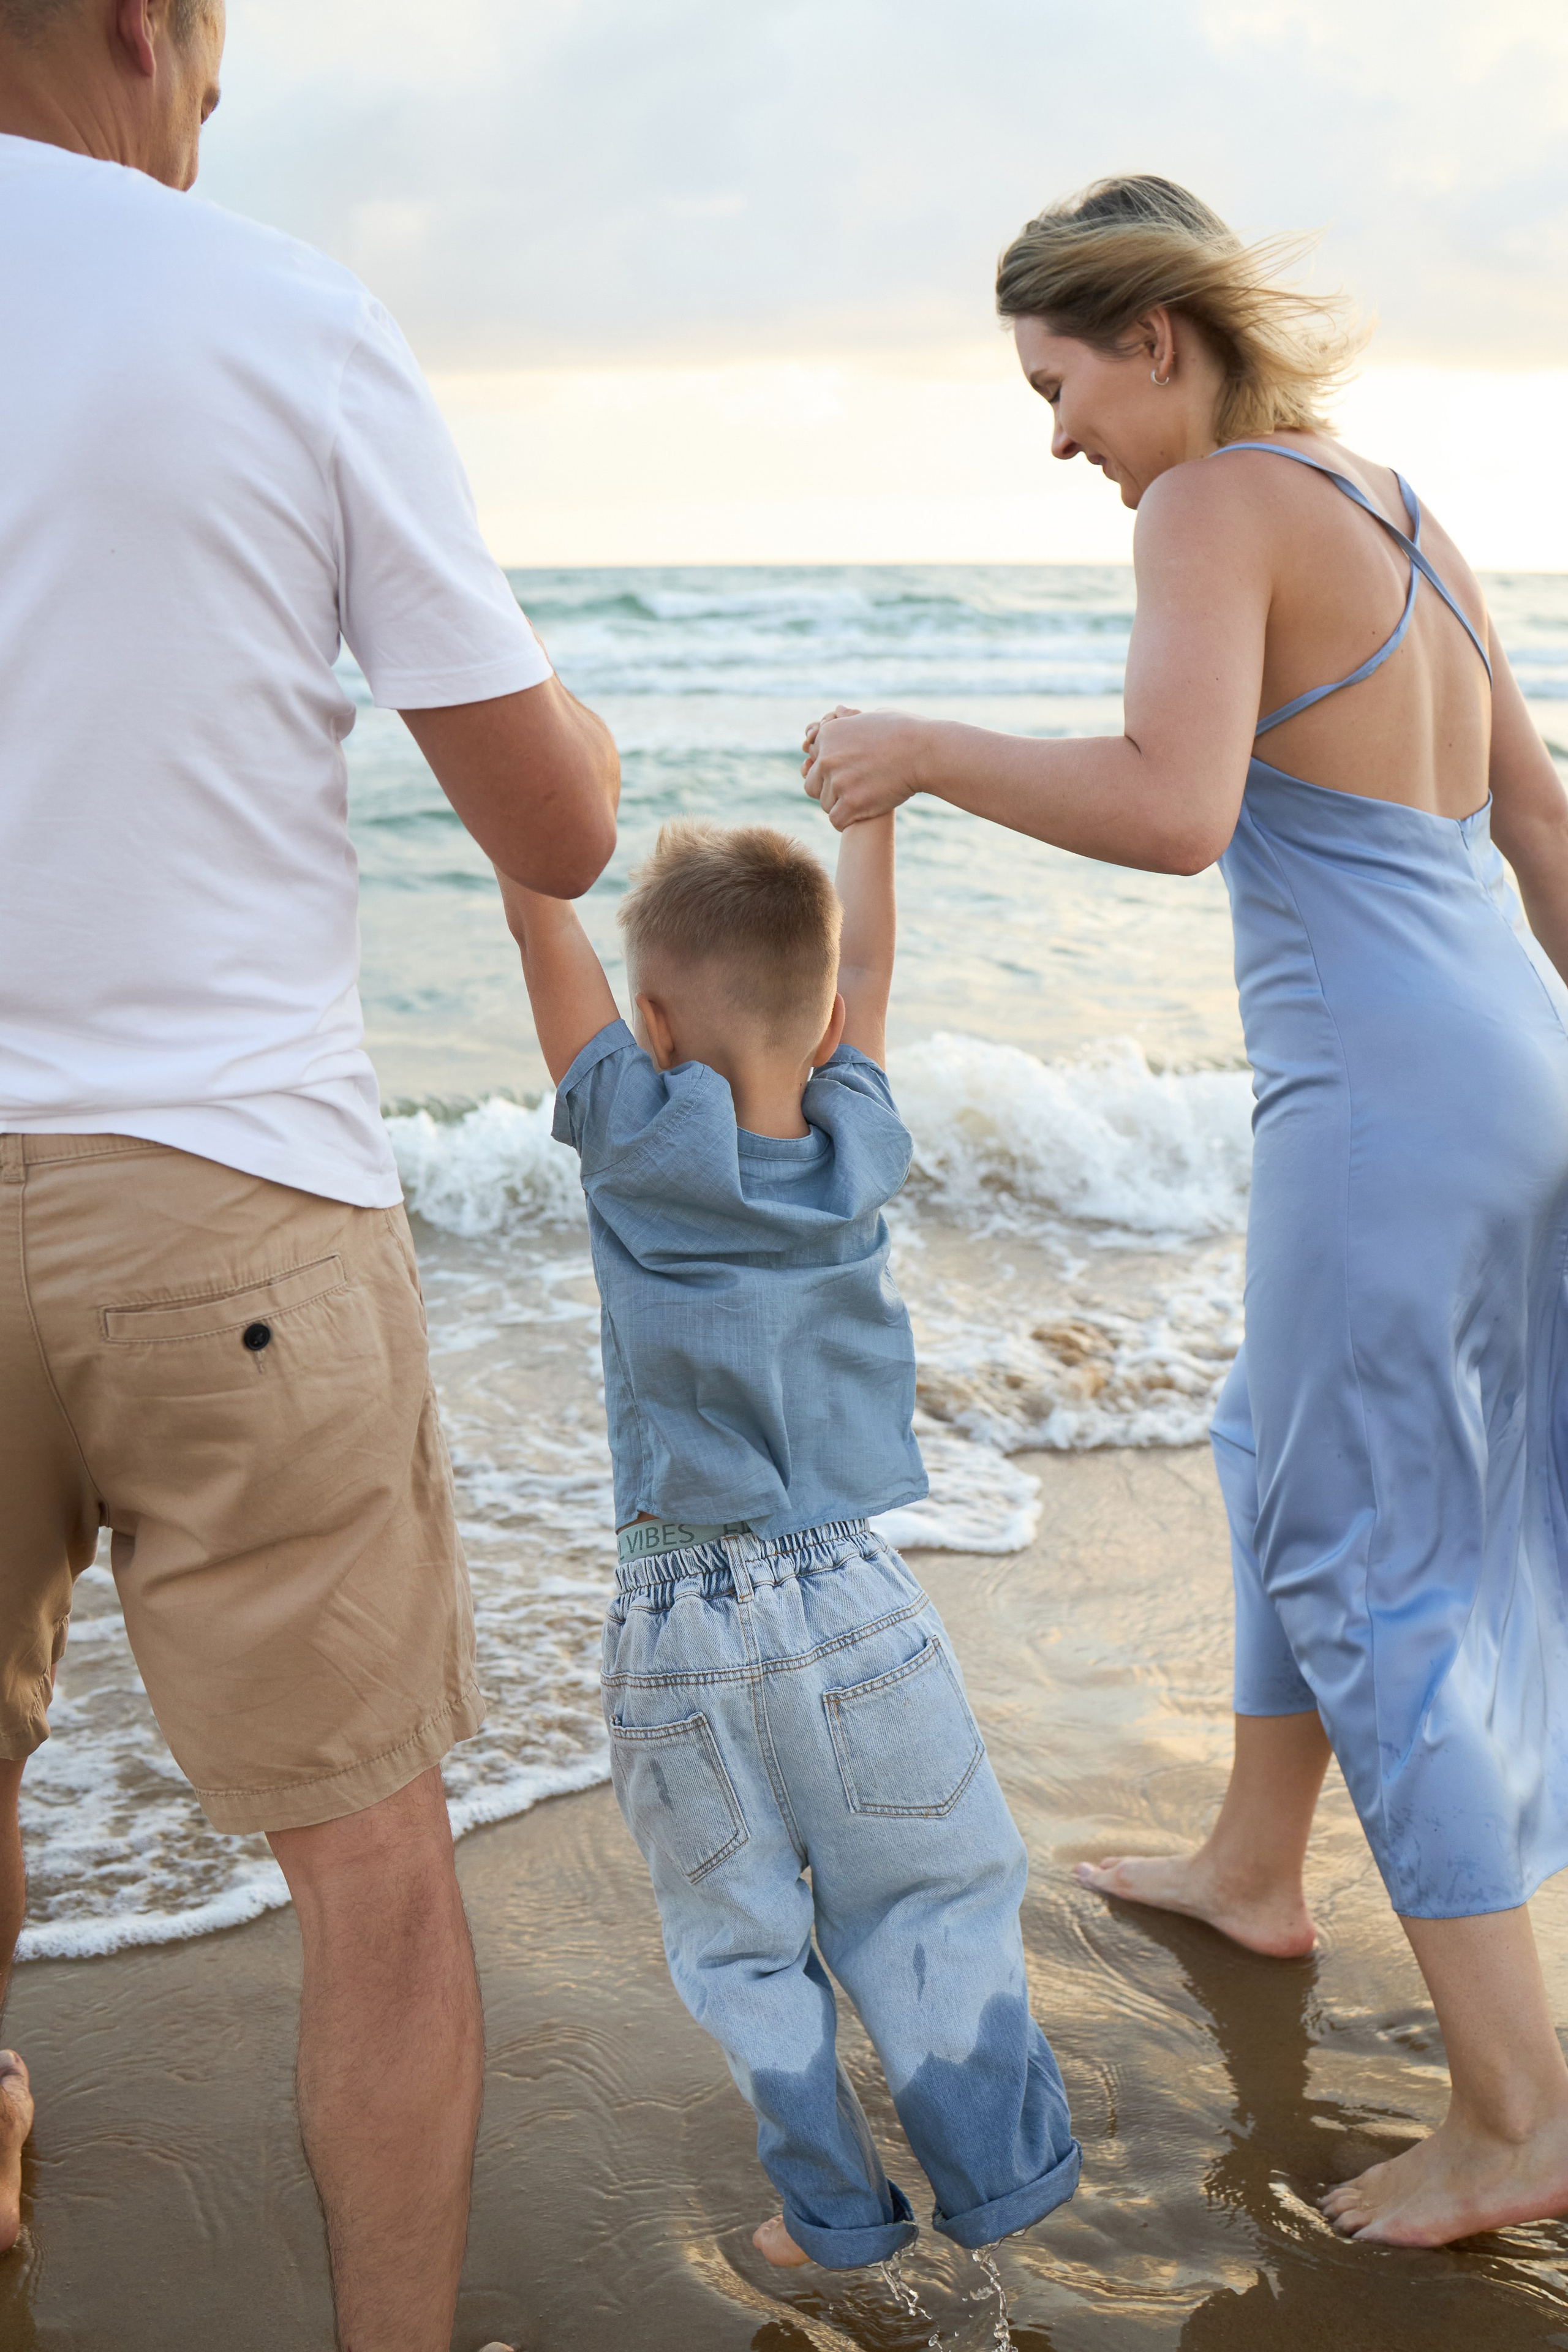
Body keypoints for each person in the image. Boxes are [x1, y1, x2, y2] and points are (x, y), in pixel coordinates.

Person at [799, 173, 1568, 2251]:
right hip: (1514, 1060)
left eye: (1060, 384)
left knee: (1367, 1563)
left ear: (1155, 336)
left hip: (1390, 1101)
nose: (1060, 436)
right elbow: (1545, 825)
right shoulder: (1404, 508)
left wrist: (919, 752)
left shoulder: (1209, 505)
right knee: (1266, 1443)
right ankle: (1254, 1863)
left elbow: (1173, 804)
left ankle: (1518, 2111)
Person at [0, 2, 617, 2345]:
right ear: (153, 27)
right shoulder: (277, 307)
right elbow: (551, 824)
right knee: (367, 1855)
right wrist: (584, 723)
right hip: (228, 1194)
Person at [497, 817, 1081, 2274]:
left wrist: (521, 825)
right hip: (857, 1598)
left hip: (676, 1629)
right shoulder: (855, 1135)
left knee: (742, 1950)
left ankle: (829, 2216)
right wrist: (867, 817)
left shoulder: (631, 1137)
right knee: (931, 1897)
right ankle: (999, 2176)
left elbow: (535, 929)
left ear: (645, 1025)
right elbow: (867, 958)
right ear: (827, 1022)